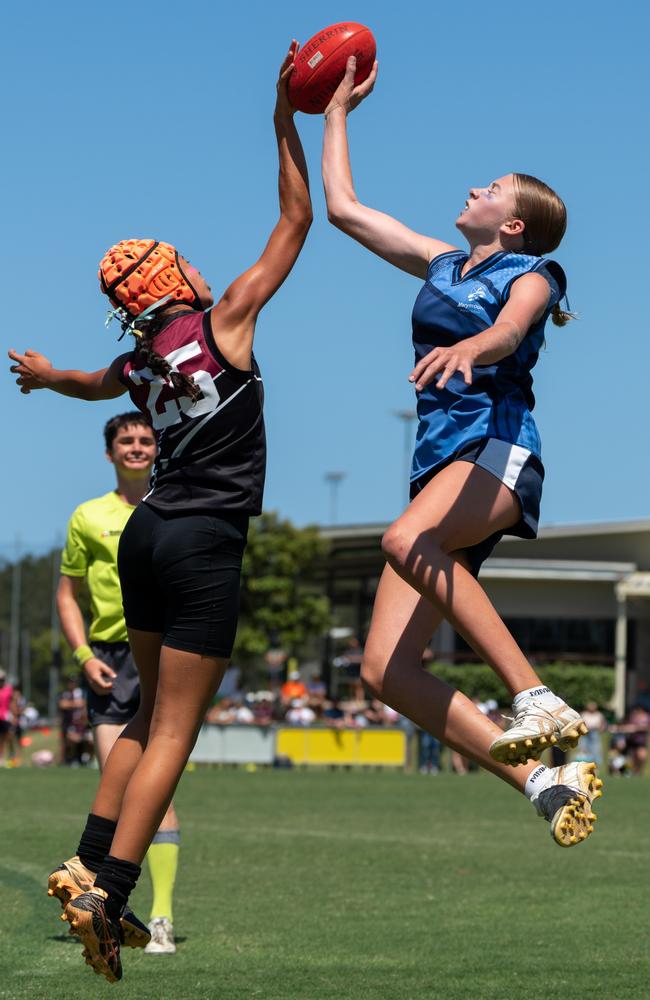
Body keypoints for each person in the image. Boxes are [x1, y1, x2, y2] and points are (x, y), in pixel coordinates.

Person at [8, 42, 311, 983]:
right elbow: (298, 220)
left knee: (141, 721)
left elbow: (84, 383)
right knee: (177, 732)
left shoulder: (140, 364)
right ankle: (113, 893)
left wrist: (44, 374)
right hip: (205, 539)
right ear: (180, 276)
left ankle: (86, 856)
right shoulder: (222, 325)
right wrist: (284, 118)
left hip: (145, 536)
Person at [320, 57, 603, 845]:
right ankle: (542, 778)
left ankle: (535, 695)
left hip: (498, 450)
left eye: (490, 187)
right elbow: (344, 209)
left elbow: (511, 330)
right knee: (384, 672)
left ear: (513, 223)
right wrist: (326, 111)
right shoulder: (442, 264)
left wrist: (474, 347)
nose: (474, 190)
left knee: (404, 539)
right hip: (441, 469)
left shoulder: (534, 272)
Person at [55, 411, 181, 955]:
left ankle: (161, 917)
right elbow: (66, 594)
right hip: (109, 659)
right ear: (110, 453)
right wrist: (83, 656)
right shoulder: (87, 515)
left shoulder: (173, 509)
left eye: (145, 439)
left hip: (163, 651)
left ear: (158, 448)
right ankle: (107, 894)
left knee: (161, 787)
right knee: (122, 778)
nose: (136, 446)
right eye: (125, 440)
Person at [0, 669, 13, 766]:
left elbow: (11, 703)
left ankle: (11, 756)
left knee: (8, 737)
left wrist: (14, 716)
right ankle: (1, 757)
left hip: (6, 717)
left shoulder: (8, 689)